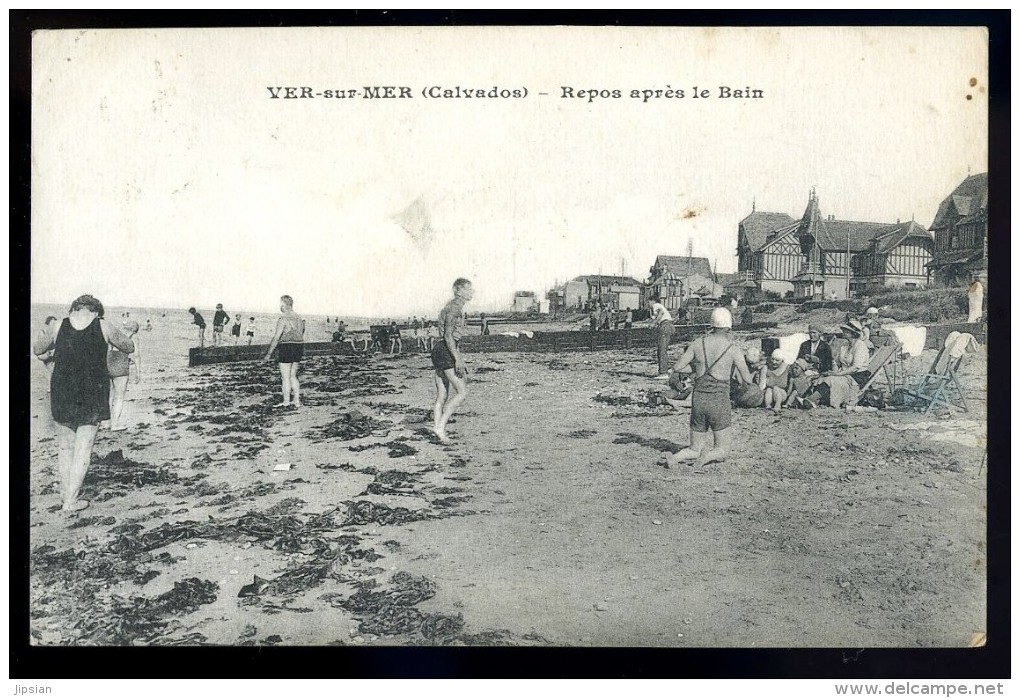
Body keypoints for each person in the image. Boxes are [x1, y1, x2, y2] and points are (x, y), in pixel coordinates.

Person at [34, 295, 135, 513]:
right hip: (92, 391)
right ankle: (71, 501)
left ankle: (65, 493)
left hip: (62, 389)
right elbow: (129, 346)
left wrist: (53, 353)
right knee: (83, 448)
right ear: (97, 311)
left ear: (74, 309)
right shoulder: (104, 325)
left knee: (65, 446)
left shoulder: (58, 325)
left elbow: (38, 350)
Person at [665, 307, 753, 467]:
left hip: (698, 399)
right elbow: (747, 379)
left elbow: (678, 367)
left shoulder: (697, 344)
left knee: (694, 448)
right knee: (723, 450)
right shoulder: (733, 349)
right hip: (719, 400)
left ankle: (676, 458)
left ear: (712, 324)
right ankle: (708, 456)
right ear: (729, 326)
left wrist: (697, 368)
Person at [431, 278, 473, 444]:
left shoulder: (451, 306)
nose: (472, 292)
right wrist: (458, 360)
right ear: (458, 290)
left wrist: (459, 358)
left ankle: (438, 430)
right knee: (462, 392)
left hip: (440, 349)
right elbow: (449, 336)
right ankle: (440, 428)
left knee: (442, 395)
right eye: (468, 289)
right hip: (446, 349)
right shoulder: (455, 308)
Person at [795, 319, 870, 409]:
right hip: (844, 374)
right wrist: (833, 370)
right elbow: (836, 363)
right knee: (825, 377)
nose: (843, 332)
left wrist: (837, 374)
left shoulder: (860, 346)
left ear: (853, 333)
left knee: (831, 380)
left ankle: (810, 399)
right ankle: (811, 400)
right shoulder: (844, 346)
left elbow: (855, 367)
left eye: (846, 331)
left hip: (856, 377)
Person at [264, 295, 305, 408]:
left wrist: (268, 354)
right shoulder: (299, 318)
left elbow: (277, 337)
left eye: (280, 303)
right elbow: (301, 333)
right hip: (299, 346)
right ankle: (296, 401)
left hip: (287, 347)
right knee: (293, 375)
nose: (279, 306)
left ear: (284, 304)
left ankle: (286, 401)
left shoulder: (283, 318)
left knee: (285, 377)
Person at [107, 319, 141, 431]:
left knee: (109, 395)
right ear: (134, 330)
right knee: (119, 397)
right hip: (121, 366)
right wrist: (138, 373)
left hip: (108, 363)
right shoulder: (133, 336)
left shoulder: (116, 333)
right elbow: (136, 355)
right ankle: (115, 424)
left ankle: (106, 423)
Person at [647, 295, 674, 377]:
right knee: (662, 349)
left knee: (662, 349)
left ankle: (663, 372)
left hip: (665, 326)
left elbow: (661, 312)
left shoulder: (656, 305)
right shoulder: (659, 306)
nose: (648, 304)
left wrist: (653, 323)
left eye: (648, 302)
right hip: (668, 326)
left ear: (652, 301)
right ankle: (664, 370)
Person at [35, 316, 60, 387]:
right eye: (52, 323)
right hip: (47, 355)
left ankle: (51, 387)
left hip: (52, 354)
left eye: (55, 323)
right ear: (48, 323)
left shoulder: (54, 332)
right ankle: (50, 387)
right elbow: (41, 346)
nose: (53, 324)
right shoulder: (43, 332)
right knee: (51, 371)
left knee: (52, 371)